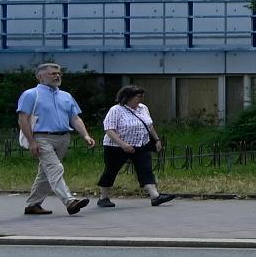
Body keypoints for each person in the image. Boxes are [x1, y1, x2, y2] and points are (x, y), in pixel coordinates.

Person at [15, 62, 93, 217]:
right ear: (40, 76)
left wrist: (85, 135)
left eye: (59, 74)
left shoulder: (66, 96)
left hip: (63, 137)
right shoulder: (31, 94)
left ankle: (33, 205)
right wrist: (32, 142)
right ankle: (70, 201)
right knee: (56, 168)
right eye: (53, 73)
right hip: (42, 137)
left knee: (46, 172)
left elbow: (75, 118)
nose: (57, 76)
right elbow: (23, 119)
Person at [93, 84, 167, 207]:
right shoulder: (116, 110)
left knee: (146, 169)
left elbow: (149, 125)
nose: (141, 99)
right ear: (128, 97)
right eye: (138, 96)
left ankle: (155, 196)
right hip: (116, 147)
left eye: (142, 96)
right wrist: (123, 144)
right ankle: (103, 197)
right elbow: (109, 129)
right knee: (111, 171)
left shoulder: (143, 108)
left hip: (141, 144)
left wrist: (156, 139)